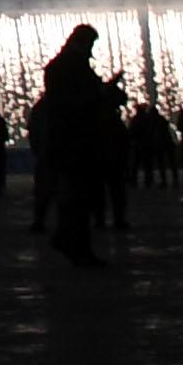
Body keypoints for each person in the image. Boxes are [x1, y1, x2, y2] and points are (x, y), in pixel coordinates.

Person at [39, 27, 116, 269]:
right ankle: (75, 245)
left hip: (68, 142)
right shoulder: (71, 67)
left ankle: (71, 242)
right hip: (76, 142)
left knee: (75, 196)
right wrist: (101, 94)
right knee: (80, 197)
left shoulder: (61, 66)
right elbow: (75, 103)